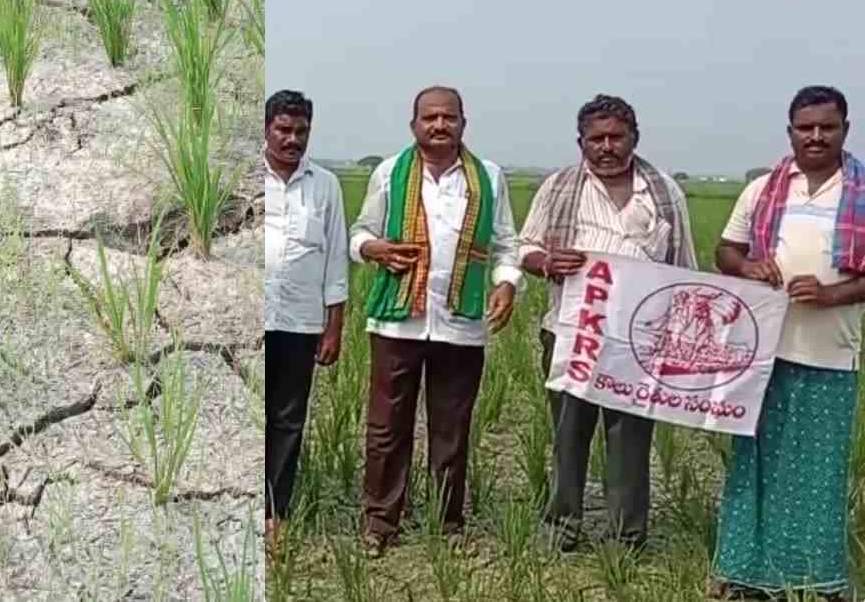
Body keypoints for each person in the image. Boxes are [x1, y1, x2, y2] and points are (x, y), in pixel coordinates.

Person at [518, 94, 697, 552]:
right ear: (581, 142)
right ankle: (562, 525)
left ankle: (627, 536)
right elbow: (523, 249)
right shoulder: (560, 187)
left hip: (639, 342)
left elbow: (685, 268)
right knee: (568, 437)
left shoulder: (664, 194)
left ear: (634, 138)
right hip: (571, 333)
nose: (607, 146)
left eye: (617, 137)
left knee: (630, 440)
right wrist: (547, 262)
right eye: (596, 138)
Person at [351, 86, 521, 557]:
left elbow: (507, 244)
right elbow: (360, 232)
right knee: (386, 428)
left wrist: (507, 284)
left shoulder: (488, 177)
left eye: (449, 117)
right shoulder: (390, 173)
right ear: (414, 125)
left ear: (464, 123)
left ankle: (447, 523)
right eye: (430, 118)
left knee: (451, 429)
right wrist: (374, 249)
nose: (439, 125)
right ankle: (381, 522)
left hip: (461, 325)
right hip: (397, 323)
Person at [710, 85, 862, 600]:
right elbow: (725, 250)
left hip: (831, 353)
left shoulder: (860, 191)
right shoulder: (765, 189)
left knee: (818, 473)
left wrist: (832, 293)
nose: (816, 136)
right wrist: (748, 265)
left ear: (846, 129)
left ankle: (813, 579)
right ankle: (744, 573)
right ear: (791, 131)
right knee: (753, 463)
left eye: (827, 127)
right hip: (759, 353)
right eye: (805, 127)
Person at [263, 90, 349, 556]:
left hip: (299, 322)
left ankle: (276, 512)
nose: (293, 139)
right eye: (284, 129)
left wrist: (333, 326)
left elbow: (336, 258)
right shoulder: (244, 177)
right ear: (267, 129)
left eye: (301, 131)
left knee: (287, 419)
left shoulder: (326, 185)